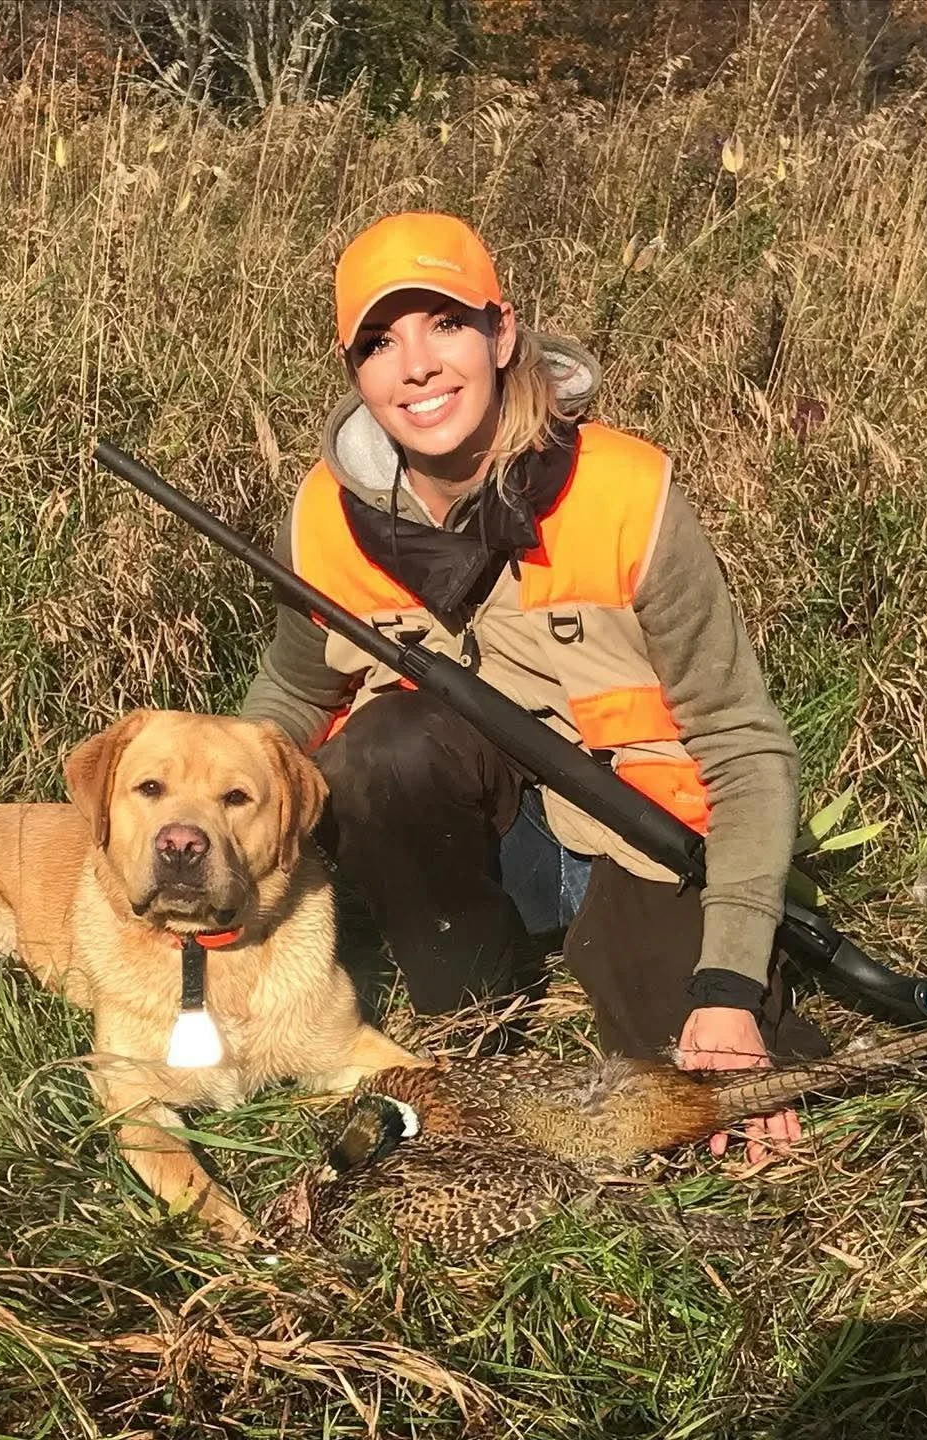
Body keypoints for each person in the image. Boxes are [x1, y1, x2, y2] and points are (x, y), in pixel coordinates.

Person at [239, 212, 827, 1162]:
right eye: (380, 343)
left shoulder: (625, 496)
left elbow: (744, 743)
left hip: (640, 841)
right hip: (478, 843)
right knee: (380, 750)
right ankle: (472, 1017)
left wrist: (726, 987)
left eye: (446, 324)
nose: (417, 366)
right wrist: (210, 806)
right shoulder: (321, 520)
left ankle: (690, 968)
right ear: (354, 372)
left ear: (503, 333)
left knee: (687, 1102)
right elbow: (294, 695)